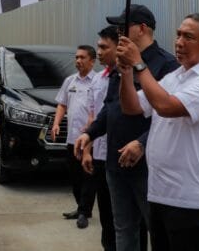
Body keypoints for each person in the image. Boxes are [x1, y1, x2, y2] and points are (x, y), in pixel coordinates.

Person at [117, 13, 199, 251]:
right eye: (178, 34)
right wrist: (126, 73)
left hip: (190, 198)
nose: (179, 42)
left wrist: (139, 64)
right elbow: (132, 107)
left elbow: (167, 107)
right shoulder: (174, 77)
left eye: (189, 37)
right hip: (160, 193)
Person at [75, 5, 178, 251]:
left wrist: (143, 142)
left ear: (141, 29)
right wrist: (89, 134)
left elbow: (168, 117)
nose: (119, 33)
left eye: (123, 28)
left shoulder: (166, 65)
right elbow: (110, 107)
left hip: (147, 166)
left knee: (158, 231)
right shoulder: (120, 65)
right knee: (123, 227)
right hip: (115, 162)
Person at [81, 25, 121, 250]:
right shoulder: (98, 80)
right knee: (106, 218)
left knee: (126, 220)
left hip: (123, 156)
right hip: (101, 156)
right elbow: (93, 116)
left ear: (119, 47)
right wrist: (87, 149)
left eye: (105, 47)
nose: (100, 52)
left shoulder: (131, 77)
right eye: (98, 47)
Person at [53, 45, 97, 229]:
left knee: (88, 178)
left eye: (82, 58)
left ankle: (84, 213)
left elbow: (95, 111)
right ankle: (81, 208)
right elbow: (62, 104)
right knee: (75, 177)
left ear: (92, 61)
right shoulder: (70, 81)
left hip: (91, 140)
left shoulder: (97, 82)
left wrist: (90, 131)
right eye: (76, 57)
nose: (78, 61)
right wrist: (56, 123)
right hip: (71, 139)